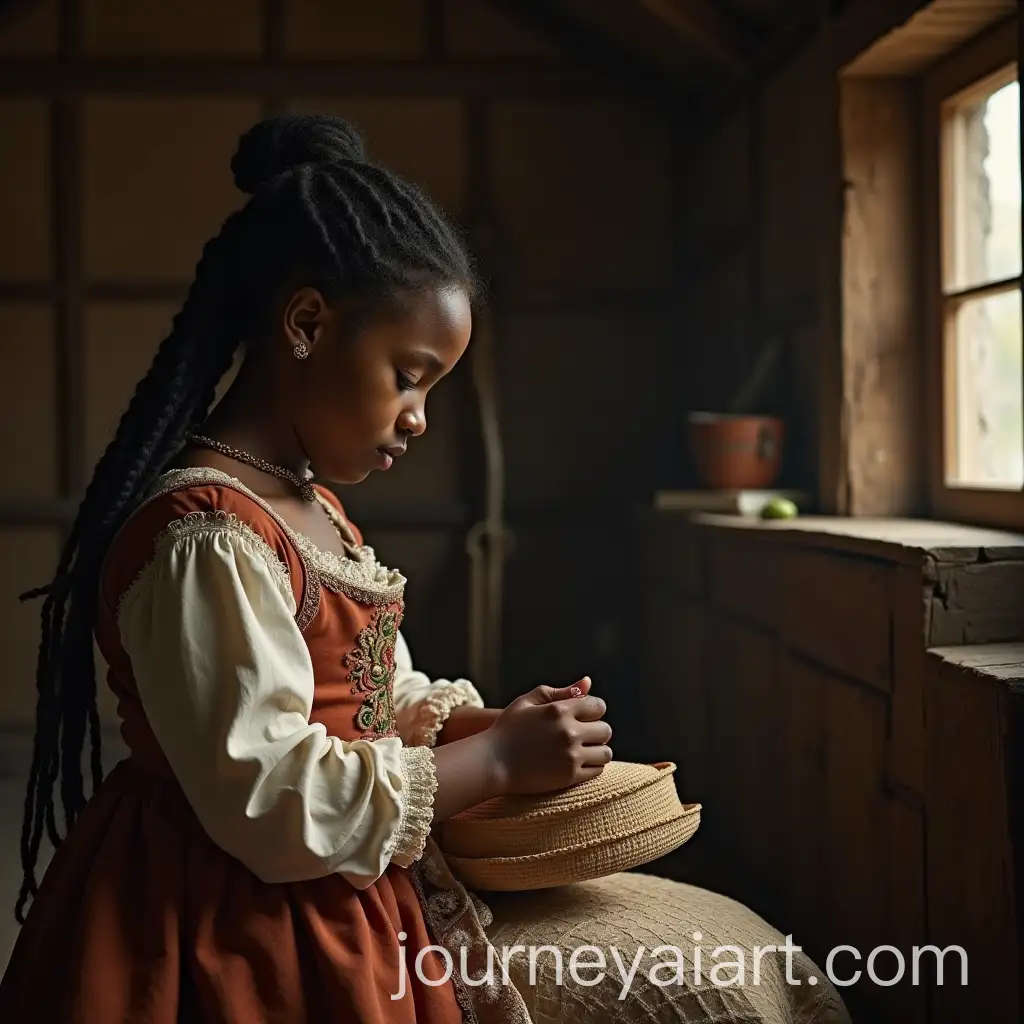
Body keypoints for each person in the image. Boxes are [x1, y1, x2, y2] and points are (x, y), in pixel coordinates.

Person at [0, 114, 850, 1024]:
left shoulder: (312, 507)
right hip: (231, 904)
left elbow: (371, 699)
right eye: (409, 375)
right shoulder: (204, 538)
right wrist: (488, 762)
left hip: (323, 859)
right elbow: (272, 799)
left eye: (433, 388)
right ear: (306, 324)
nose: (418, 417)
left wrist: (485, 727)